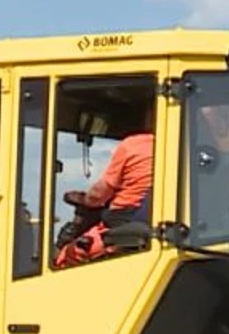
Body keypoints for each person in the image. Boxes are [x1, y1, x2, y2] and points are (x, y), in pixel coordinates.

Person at [53, 105, 155, 268]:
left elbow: (98, 195)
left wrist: (85, 199)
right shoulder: (182, 148)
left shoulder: (134, 144)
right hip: (146, 220)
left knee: (70, 254)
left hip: (122, 219)